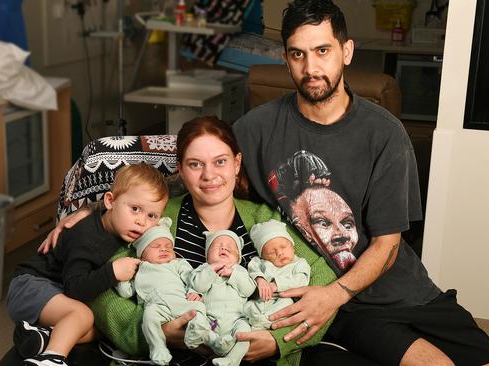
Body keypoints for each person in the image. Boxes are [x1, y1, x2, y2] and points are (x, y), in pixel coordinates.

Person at [232, 0, 489, 365]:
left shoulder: (384, 134)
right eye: (298, 54)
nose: (311, 67)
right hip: (347, 307)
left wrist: (335, 294)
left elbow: (388, 245)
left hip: (406, 291)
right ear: (285, 58)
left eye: (322, 51)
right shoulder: (255, 129)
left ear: (346, 51)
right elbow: (203, 173)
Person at [41, 116, 337, 366]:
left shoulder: (265, 219)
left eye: (220, 162)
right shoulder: (153, 219)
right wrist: (154, 333)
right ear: (180, 170)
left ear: (236, 164)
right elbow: (102, 289)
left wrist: (277, 343)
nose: (209, 175)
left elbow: (324, 280)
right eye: (195, 164)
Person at [6, 163, 168, 366]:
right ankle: (52, 359)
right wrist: (112, 273)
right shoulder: (86, 236)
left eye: (152, 216)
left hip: (56, 289)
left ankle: (41, 338)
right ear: (110, 201)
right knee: (82, 315)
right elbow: (74, 289)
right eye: (135, 209)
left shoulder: (123, 229)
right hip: (30, 285)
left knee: (102, 328)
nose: (142, 222)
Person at [116, 217, 212, 365]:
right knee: (149, 318)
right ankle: (158, 348)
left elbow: (192, 278)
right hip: (157, 306)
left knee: (199, 307)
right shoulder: (139, 271)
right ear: (142, 255)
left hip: (181, 301)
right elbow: (126, 292)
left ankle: (199, 332)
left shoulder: (177, 263)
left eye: (169, 246)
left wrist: (195, 292)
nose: (164, 249)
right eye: (156, 246)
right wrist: (122, 279)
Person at [188, 230, 256, 366]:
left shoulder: (240, 271)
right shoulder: (203, 269)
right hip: (211, 319)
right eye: (217, 245)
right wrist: (210, 270)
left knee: (245, 333)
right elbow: (197, 286)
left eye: (231, 246)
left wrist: (232, 274)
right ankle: (216, 343)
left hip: (237, 319)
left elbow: (249, 290)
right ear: (207, 255)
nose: (224, 247)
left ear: (238, 258)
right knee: (200, 326)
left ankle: (232, 359)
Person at [243, 219, 310, 330]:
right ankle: (247, 322)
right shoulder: (261, 262)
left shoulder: (299, 263)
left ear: (292, 246)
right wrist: (260, 279)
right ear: (263, 256)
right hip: (259, 302)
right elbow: (252, 268)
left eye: (283, 247)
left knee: (287, 303)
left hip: (280, 300)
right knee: (245, 307)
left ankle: (260, 324)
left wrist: (276, 285)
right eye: (271, 252)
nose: (279, 253)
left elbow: (301, 280)